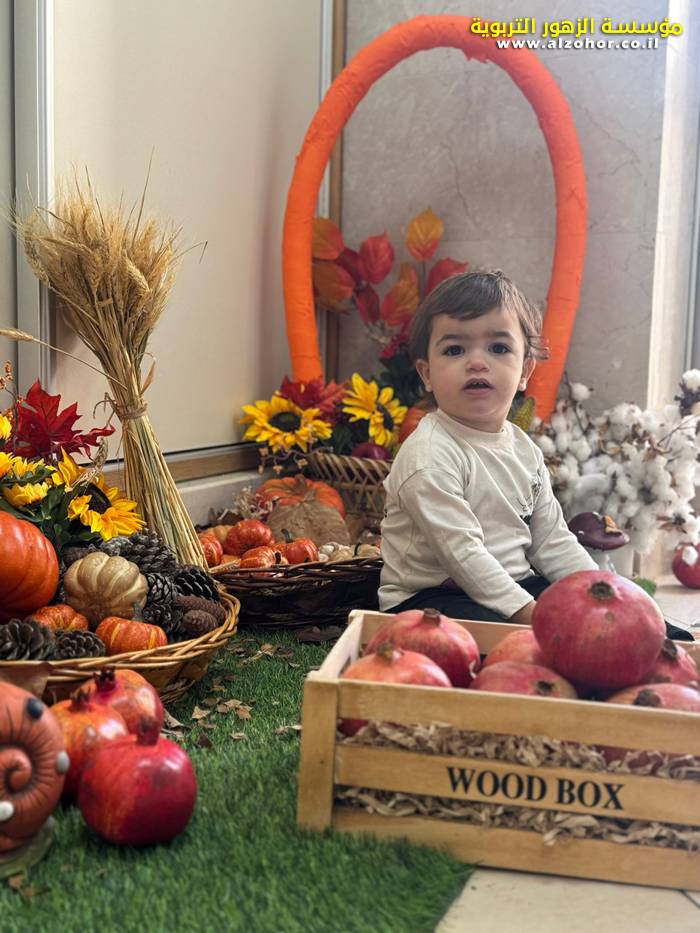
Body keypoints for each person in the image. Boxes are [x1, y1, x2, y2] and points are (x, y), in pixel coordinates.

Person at [378, 270, 608, 625]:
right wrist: (531, 616)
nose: (477, 362)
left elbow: (552, 540)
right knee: (544, 634)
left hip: (514, 585)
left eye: (498, 348)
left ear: (525, 371)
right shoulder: (429, 455)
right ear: (427, 374)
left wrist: (602, 595)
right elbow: (462, 553)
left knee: (590, 611)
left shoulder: (524, 450)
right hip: (432, 599)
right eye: (455, 349)